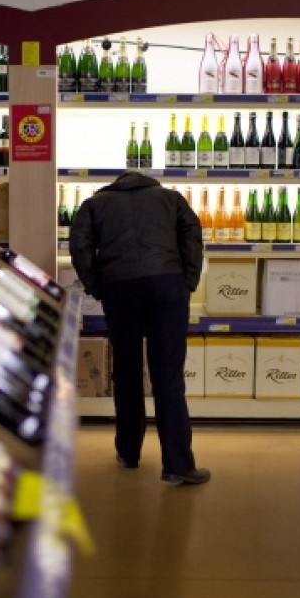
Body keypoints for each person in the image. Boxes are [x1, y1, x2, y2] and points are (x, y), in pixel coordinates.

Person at [69, 171, 209, 485]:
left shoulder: (95, 204)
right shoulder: (171, 199)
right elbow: (192, 235)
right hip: (167, 284)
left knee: (126, 368)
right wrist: (188, 279)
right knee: (168, 373)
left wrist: (97, 286)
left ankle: (128, 451)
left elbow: (79, 246)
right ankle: (178, 465)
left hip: (120, 286)